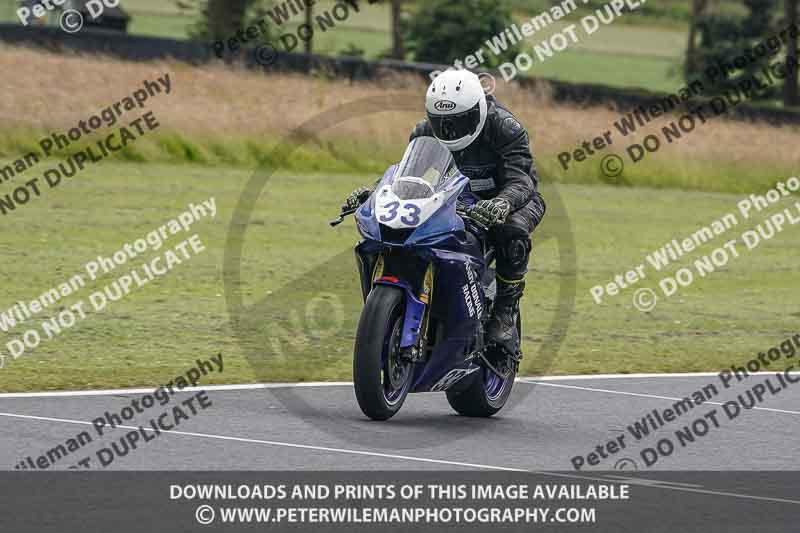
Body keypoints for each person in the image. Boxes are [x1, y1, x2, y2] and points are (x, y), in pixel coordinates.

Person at [343, 69, 545, 361]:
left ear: (476, 112)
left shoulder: (505, 127)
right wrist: (375, 193)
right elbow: (407, 175)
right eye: (441, 123)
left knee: (511, 231)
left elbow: (522, 180)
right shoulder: (425, 131)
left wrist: (502, 203)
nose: (448, 131)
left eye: (458, 122)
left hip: (515, 196)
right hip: (461, 194)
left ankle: (504, 312)